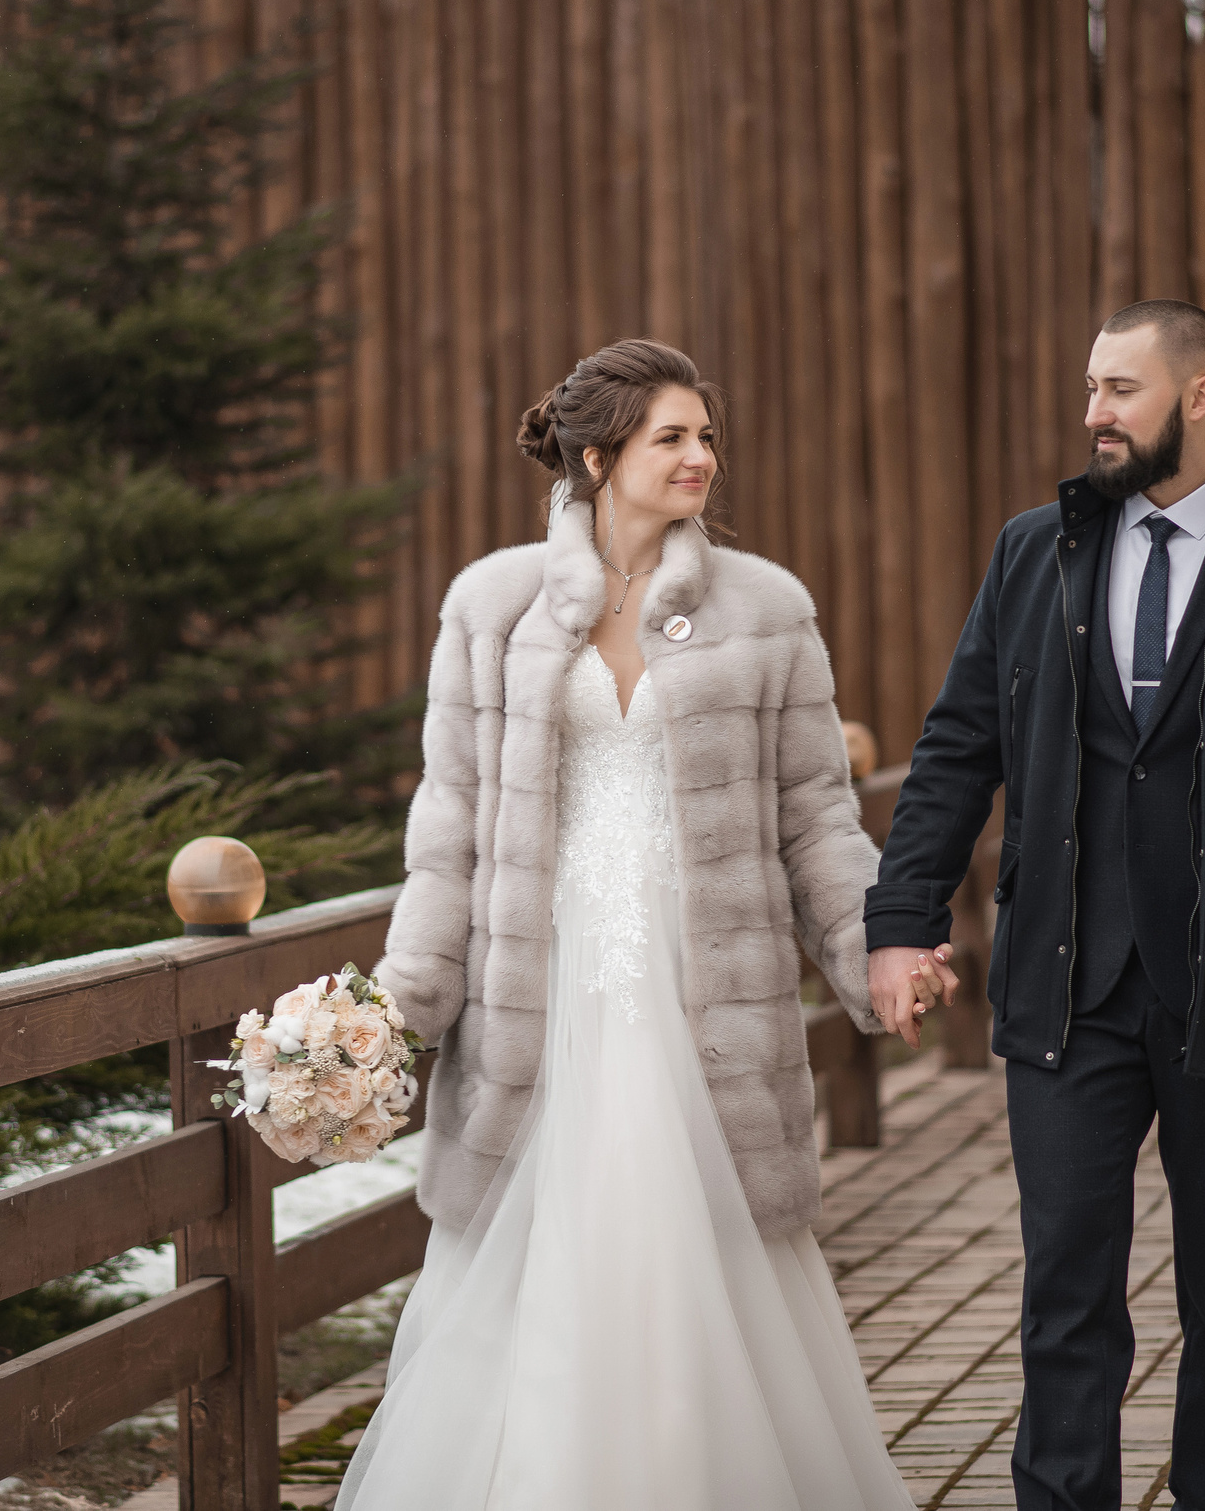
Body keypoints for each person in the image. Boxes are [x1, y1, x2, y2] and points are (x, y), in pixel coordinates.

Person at [354, 338, 950, 1511]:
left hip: (704, 987)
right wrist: (397, 1005)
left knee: (704, 1247)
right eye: (671, 437)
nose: (699, 458)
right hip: (542, 990)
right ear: (597, 455)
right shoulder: (491, 606)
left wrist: (873, 948)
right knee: (542, 1253)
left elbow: (816, 819)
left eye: (705, 436)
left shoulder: (768, 610)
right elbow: (448, 826)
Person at [865, 300, 1205, 1511]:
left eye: (1120, 389)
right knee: (1064, 1289)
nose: (1093, 414)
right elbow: (957, 748)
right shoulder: (1032, 551)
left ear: (1199, 396)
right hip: (1066, 981)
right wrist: (900, 923)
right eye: (1090, 388)